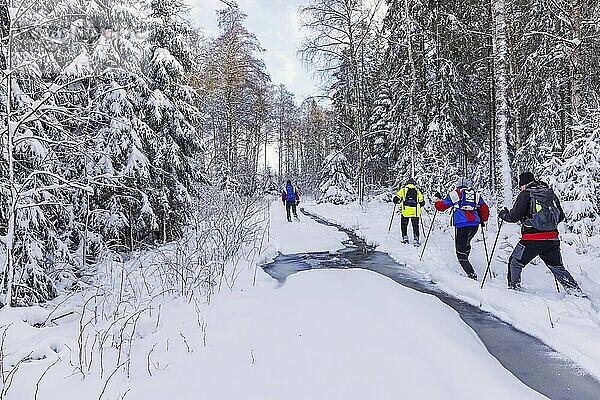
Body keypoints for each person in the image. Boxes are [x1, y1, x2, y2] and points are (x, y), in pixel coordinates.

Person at [499, 172, 584, 295]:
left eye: (520, 186)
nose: (520, 188)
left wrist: (503, 215)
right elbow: (561, 216)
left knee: (515, 262)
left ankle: (514, 292)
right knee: (557, 268)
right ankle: (576, 292)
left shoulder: (526, 194)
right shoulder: (549, 193)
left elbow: (514, 217)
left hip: (531, 240)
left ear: (524, 184)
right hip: (552, 239)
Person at [434, 177, 490, 280]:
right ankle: (466, 266)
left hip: (462, 225)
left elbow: (441, 207)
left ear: (458, 185)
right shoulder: (475, 194)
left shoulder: (456, 193)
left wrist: (437, 201)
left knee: (460, 253)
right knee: (466, 244)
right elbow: (485, 208)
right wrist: (483, 219)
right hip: (474, 226)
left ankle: (472, 276)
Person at [393, 178, 425, 246]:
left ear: (407, 183)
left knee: (404, 225)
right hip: (415, 212)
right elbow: (422, 202)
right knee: (415, 226)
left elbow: (396, 198)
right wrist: (421, 204)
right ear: (414, 184)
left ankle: (405, 238)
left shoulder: (403, 190)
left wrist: (395, 200)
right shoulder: (417, 191)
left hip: (405, 212)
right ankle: (416, 239)